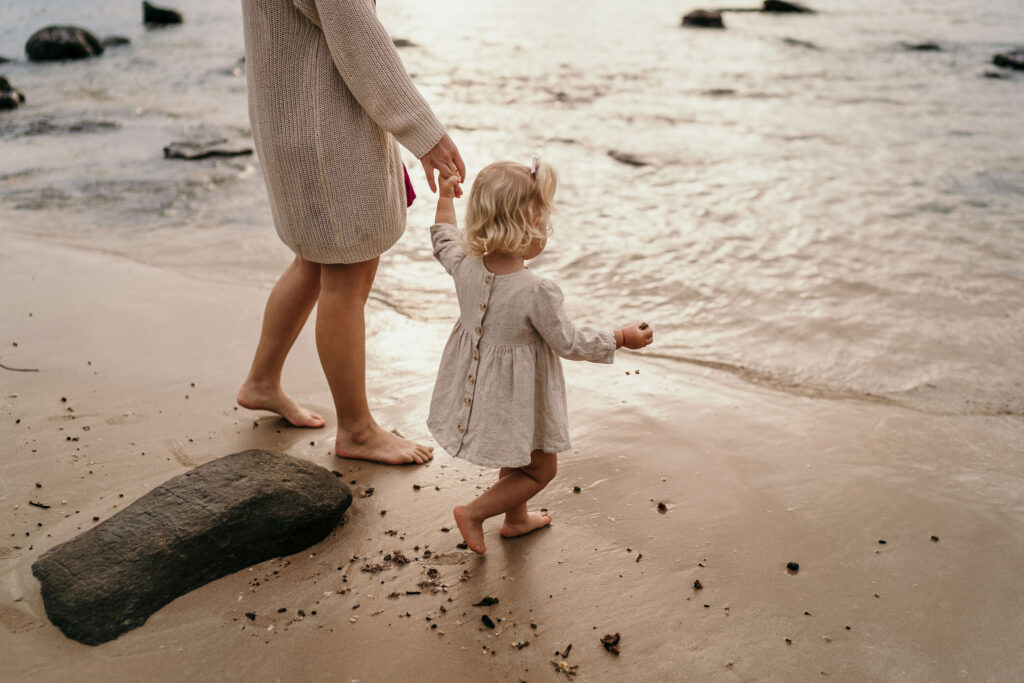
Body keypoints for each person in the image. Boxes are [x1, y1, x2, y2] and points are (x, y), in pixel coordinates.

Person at [237, 0, 465, 464]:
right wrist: (425, 133)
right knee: (346, 277)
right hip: (324, 129)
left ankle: (262, 381)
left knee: (314, 261)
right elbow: (358, 37)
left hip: (290, 117)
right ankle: (357, 431)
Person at [427, 159, 654, 554]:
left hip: (480, 384)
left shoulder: (463, 264)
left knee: (519, 456)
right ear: (524, 229)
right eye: (542, 223)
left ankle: (515, 520)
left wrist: (445, 196)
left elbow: (444, 236)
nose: (546, 232)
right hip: (520, 395)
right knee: (540, 468)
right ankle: (476, 513)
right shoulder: (536, 290)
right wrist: (620, 337)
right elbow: (569, 342)